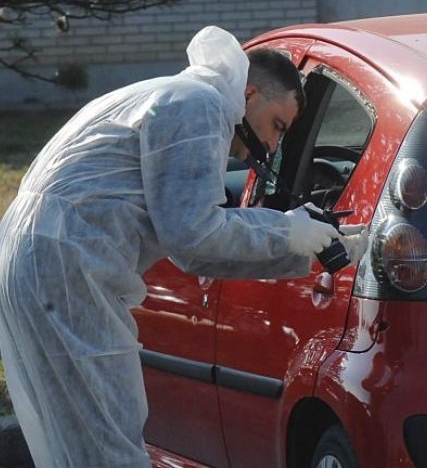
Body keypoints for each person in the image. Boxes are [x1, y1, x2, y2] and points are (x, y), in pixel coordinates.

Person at [0, 26, 368, 467]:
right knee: (109, 439)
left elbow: (191, 252)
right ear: (249, 94)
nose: (272, 145)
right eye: (276, 126)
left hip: (47, 255)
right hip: (67, 262)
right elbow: (193, 231)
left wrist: (301, 246)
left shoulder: (178, 96)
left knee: (81, 442)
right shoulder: (201, 105)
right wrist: (287, 230)